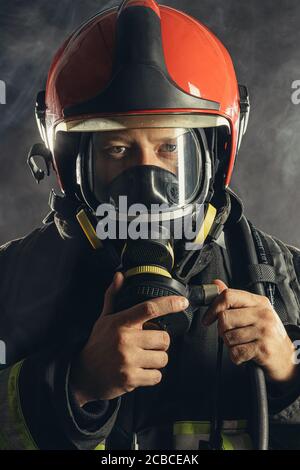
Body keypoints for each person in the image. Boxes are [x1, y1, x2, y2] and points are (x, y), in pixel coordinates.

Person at [1, 0, 300, 450]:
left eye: (169, 149)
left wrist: (288, 371)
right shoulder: (10, 281)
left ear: (214, 156)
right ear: (71, 162)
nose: (149, 187)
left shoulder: (287, 280)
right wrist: (75, 385)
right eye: (117, 150)